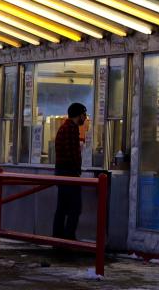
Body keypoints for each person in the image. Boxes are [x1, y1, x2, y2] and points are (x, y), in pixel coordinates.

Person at [52, 102, 87, 240]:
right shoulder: (71, 129)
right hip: (69, 174)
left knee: (62, 208)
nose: (85, 118)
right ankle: (68, 239)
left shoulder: (64, 127)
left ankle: (58, 238)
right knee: (75, 208)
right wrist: (76, 170)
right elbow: (72, 154)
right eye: (84, 115)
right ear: (78, 115)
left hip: (62, 173)